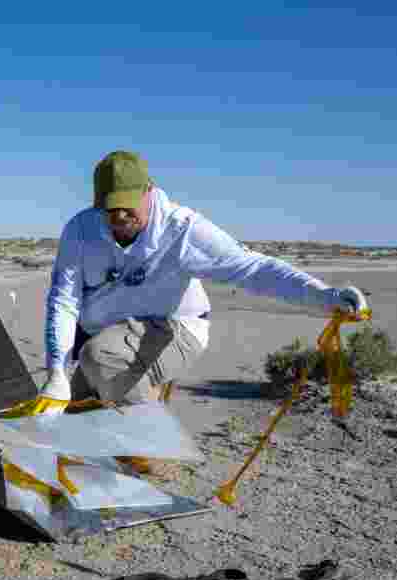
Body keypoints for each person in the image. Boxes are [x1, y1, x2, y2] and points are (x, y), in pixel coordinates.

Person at [38, 150, 368, 411]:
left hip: (174, 327)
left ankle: (155, 453)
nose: (119, 217)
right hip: (110, 333)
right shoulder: (80, 230)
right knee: (77, 407)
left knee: (100, 361)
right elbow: (65, 300)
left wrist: (324, 296)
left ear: (149, 192)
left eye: (127, 206)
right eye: (110, 209)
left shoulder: (183, 229)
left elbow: (253, 268)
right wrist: (56, 371)